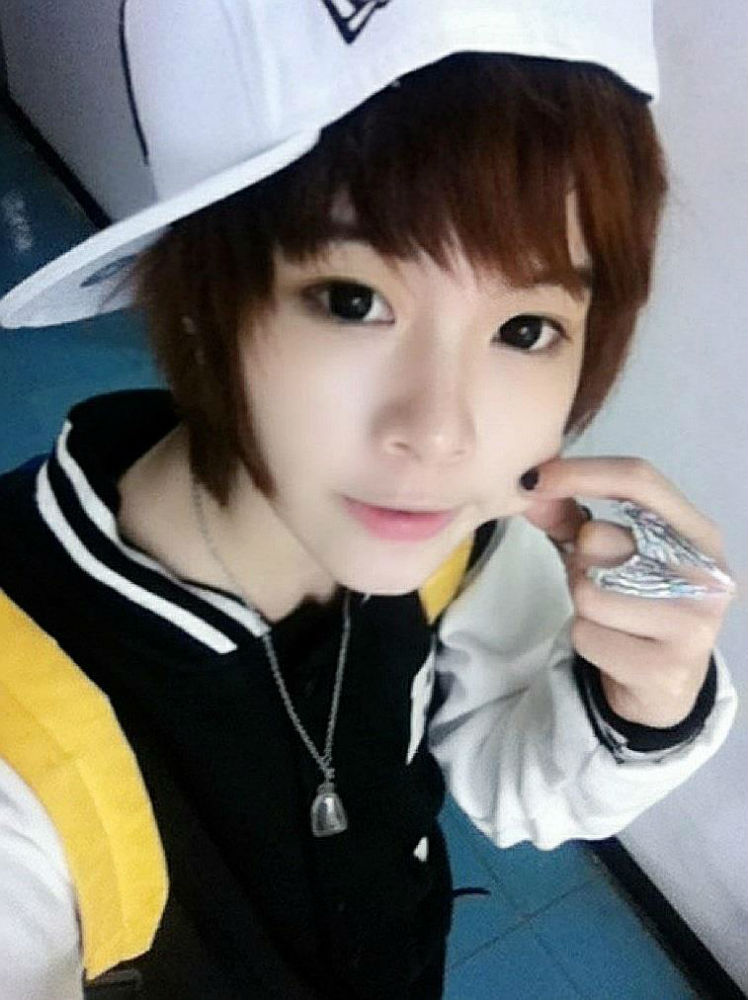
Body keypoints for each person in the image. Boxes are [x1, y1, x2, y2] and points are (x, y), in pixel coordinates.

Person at [0, 2, 738, 998]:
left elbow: (516, 780)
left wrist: (644, 703)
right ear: (199, 294)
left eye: (525, 328)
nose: (439, 433)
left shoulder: (454, 548)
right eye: (353, 300)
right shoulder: (21, 721)